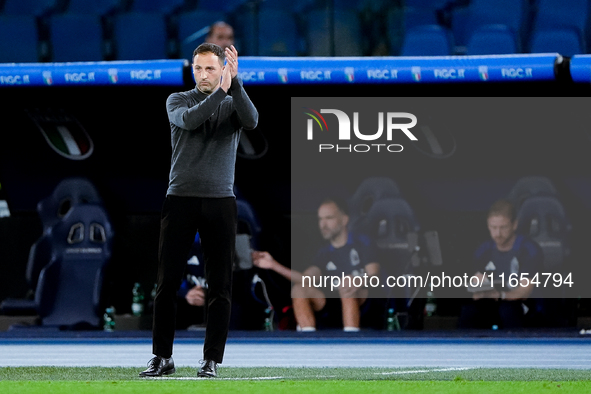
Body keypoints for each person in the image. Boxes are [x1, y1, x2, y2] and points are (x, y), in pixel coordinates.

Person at [139, 42, 258, 378]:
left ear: (223, 68)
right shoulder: (177, 100)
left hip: (221, 200)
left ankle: (211, 360)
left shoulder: (232, 99)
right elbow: (192, 121)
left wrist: (236, 84)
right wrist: (223, 89)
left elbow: (252, 120)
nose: (203, 74)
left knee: (220, 283)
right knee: (167, 281)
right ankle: (162, 357)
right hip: (180, 198)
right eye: (198, 68)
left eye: (210, 68)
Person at [264, 197, 380, 332]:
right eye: (320, 219)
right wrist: (272, 264)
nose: (323, 224)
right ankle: (308, 341)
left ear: (344, 220)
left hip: (363, 303)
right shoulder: (323, 253)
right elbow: (305, 278)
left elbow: (375, 277)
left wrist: (358, 281)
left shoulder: (362, 243)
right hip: (331, 304)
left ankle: (351, 340)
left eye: (329, 218)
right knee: (299, 289)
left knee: (346, 286)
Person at [459, 199, 543, 329]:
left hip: (522, 305)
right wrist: (478, 288)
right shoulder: (483, 250)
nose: (498, 234)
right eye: (493, 228)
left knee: (507, 310)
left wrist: (501, 295)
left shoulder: (528, 249)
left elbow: (525, 291)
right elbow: (475, 286)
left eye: (503, 227)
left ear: (514, 225)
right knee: (469, 312)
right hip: (491, 303)